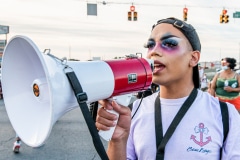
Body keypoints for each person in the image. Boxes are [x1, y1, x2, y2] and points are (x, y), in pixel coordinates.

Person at [96, 17, 240, 159]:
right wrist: (118, 141)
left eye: (169, 43)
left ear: (194, 58)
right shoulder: (133, 112)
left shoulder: (225, 114)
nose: (154, 52)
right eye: (150, 45)